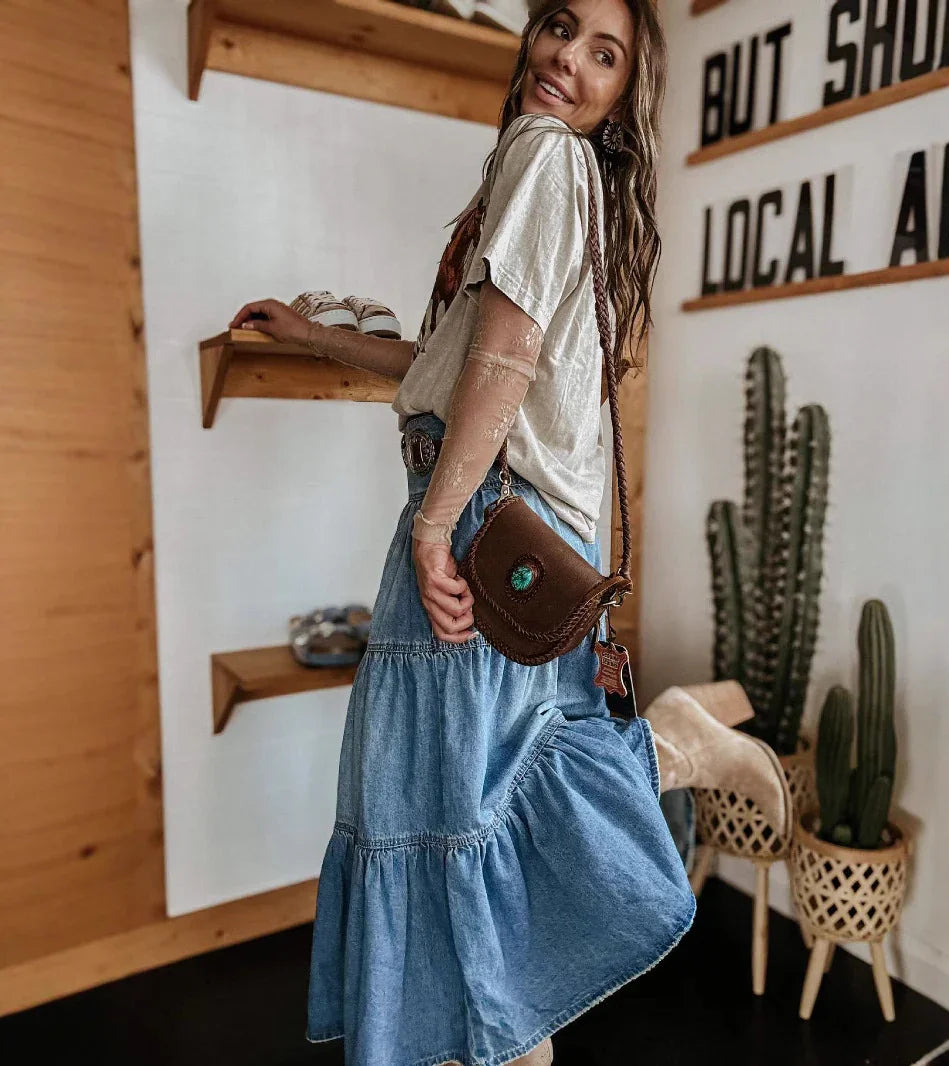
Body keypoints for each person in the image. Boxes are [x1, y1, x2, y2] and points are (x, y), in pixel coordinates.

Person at [229, 2, 790, 1063]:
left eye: (603, 54)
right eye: (559, 28)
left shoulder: (544, 157)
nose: (566, 61)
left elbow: (506, 361)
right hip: (510, 526)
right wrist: (319, 342)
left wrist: (436, 525)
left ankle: (667, 742)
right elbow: (449, 363)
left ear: (624, 95)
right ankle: (669, 741)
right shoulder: (547, 178)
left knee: (436, 809)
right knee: (470, 821)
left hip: (482, 520)